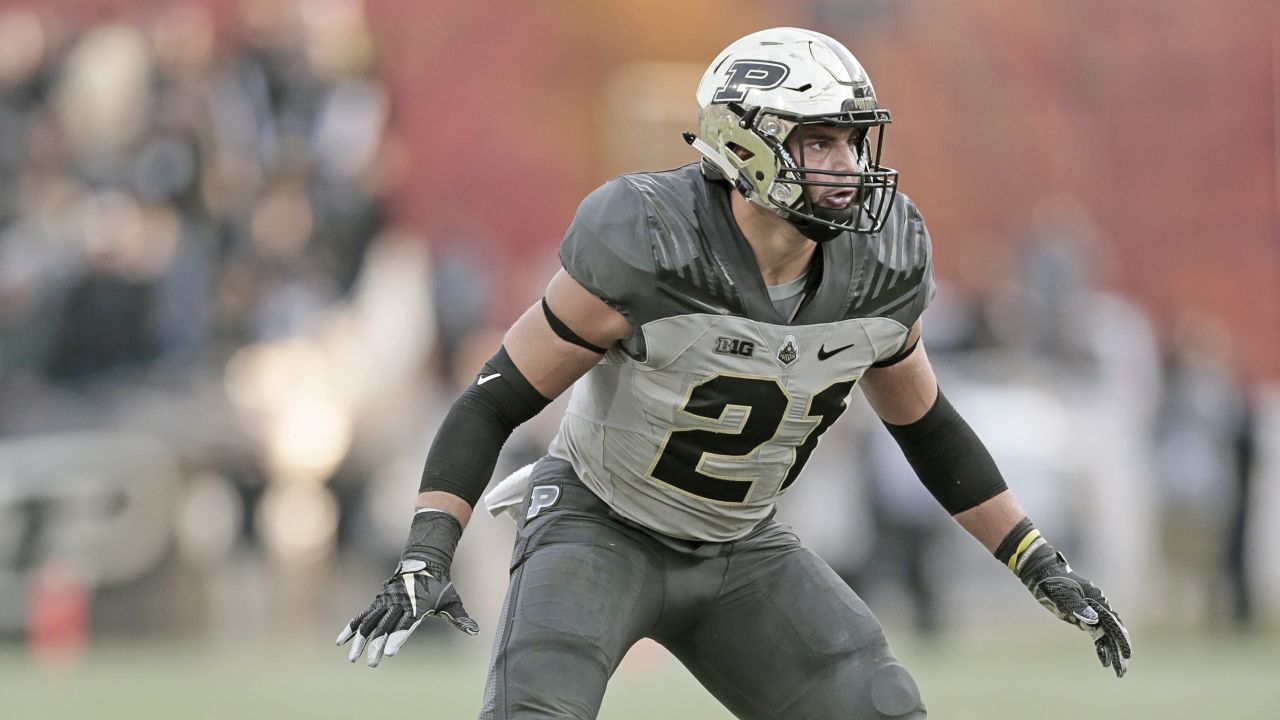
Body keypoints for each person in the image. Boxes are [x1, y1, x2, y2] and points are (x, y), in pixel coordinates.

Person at [335, 27, 1131, 719]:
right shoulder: (647, 241)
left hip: (741, 546)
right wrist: (425, 554)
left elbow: (928, 427)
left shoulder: (879, 264)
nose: (847, 164)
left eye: (852, 141)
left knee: (879, 706)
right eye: (820, 141)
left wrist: (1037, 561)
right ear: (746, 145)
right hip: (599, 526)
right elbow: (494, 399)